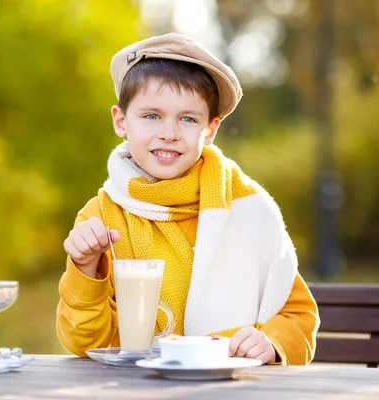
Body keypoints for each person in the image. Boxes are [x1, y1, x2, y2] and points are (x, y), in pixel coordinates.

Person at [55, 33, 319, 365]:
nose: (169, 132)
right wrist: (85, 268)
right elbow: (84, 342)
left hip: (233, 389)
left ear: (210, 130)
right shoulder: (102, 218)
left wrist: (273, 342)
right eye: (151, 116)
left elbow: (297, 313)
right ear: (121, 121)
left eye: (188, 119)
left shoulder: (249, 210)